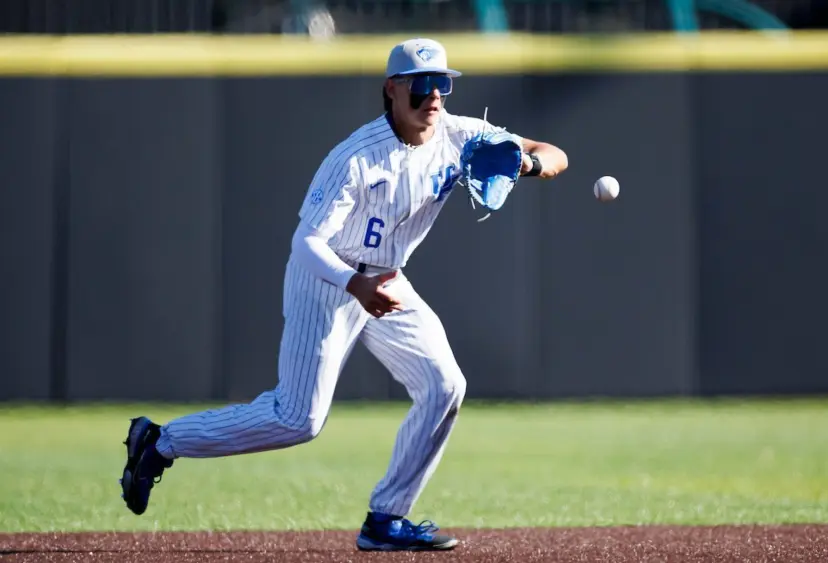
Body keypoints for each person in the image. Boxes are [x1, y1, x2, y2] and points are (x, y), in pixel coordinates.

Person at [119, 37, 568, 552]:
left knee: (446, 386)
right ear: (392, 90)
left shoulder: (460, 135)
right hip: (330, 279)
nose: (435, 97)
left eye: (442, 83)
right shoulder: (355, 157)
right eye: (422, 85)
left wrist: (526, 164)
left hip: (389, 279)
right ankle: (161, 442)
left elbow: (553, 154)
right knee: (298, 419)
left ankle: (386, 521)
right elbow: (306, 242)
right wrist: (354, 284)